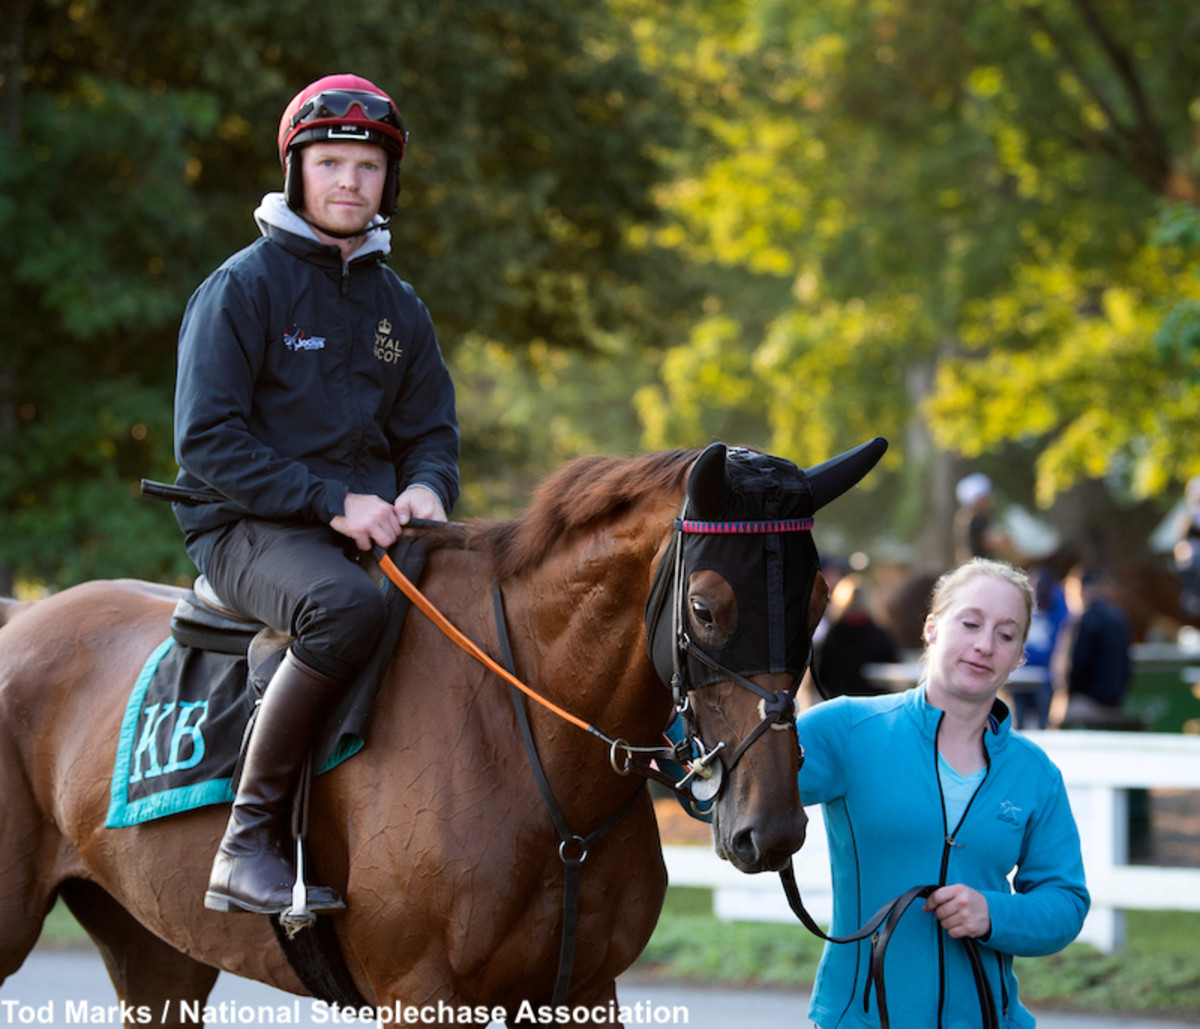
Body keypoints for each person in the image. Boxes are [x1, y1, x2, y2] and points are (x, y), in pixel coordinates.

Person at [172, 73, 460, 916]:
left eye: (367, 168)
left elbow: (431, 432)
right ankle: (246, 840)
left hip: (369, 525)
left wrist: (426, 488)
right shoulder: (242, 288)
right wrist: (336, 500)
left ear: (387, 183)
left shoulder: (400, 308)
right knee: (344, 607)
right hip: (242, 524)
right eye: (330, 163)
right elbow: (209, 441)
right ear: (297, 172)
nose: (348, 182)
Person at [796, 558, 1089, 1029]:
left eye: (1006, 635)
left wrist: (992, 912)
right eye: (970, 623)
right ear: (932, 628)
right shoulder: (847, 729)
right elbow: (729, 784)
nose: (984, 645)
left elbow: (1066, 902)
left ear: (1018, 658)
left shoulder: (1035, 774)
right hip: (860, 1020)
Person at [1055, 567, 1133, 728]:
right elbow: (1127, 665)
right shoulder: (1120, 617)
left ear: (1081, 590)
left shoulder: (1086, 619)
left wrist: (1066, 690)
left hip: (1085, 705)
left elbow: (1076, 666)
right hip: (1115, 705)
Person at [816, 574, 899, 697]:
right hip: (873, 704)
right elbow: (891, 672)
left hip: (839, 702)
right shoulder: (880, 635)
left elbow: (823, 674)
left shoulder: (834, 634)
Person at [953, 472, 1018, 565]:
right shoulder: (975, 519)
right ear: (979, 499)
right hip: (978, 569)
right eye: (987, 496)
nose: (991, 499)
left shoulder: (964, 517)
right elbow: (990, 542)